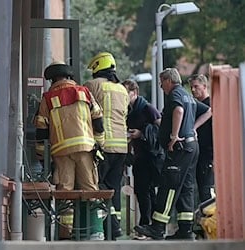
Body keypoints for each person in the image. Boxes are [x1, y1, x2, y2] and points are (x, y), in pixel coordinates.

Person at [134, 68, 212, 240]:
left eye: (161, 82)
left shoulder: (175, 94)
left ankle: (158, 227)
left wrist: (174, 135)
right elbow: (208, 111)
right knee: (186, 188)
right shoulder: (187, 95)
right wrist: (193, 129)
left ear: (168, 80)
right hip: (191, 147)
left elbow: (178, 111)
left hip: (180, 148)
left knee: (169, 186)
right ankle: (185, 230)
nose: (161, 86)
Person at [34, 61, 106, 240]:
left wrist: (41, 155)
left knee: (65, 192)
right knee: (90, 190)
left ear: (53, 80)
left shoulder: (48, 98)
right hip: (85, 148)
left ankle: (65, 235)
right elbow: (98, 120)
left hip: (61, 151)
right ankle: (95, 232)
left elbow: (41, 129)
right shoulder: (84, 91)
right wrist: (99, 144)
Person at [84, 52, 129, 239]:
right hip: (122, 147)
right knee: (114, 188)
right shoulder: (122, 89)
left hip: (103, 145)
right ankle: (114, 228)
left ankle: (111, 225)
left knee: (99, 187)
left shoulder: (92, 86)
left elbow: (85, 112)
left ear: (97, 69)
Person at [121, 80, 164, 239]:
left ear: (135, 92)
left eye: (126, 93)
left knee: (147, 191)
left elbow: (161, 127)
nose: (124, 96)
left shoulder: (147, 108)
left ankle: (149, 225)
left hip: (152, 156)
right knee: (142, 190)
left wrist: (142, 133)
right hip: (140, 156)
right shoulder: (129, 111)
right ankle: (148, 225)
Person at [189, 74, 215, 203]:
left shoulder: (211, 105)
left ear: (204, 86)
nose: (193, 90)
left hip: (208, 154)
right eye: (191, 87)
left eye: (196, 86)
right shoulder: (196, 106)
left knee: (206, 191)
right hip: (200, 154)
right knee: (202, 191)